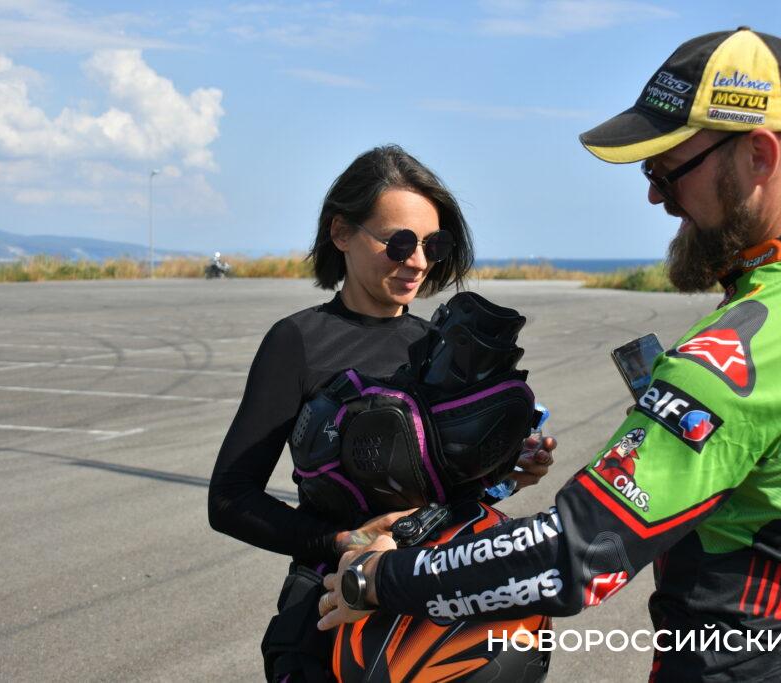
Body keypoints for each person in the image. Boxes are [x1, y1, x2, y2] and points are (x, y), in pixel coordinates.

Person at [316, 29, 781, 682]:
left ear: (758, 156)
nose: (655, 195)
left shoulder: (741, 354)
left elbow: (576, 551)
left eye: (665, 170)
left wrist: (380, 577)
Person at [206, 144, 556, 679]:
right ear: (341, 233)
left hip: (438, 611)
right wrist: (342, 541)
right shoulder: (298, 341)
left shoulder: (436, 347)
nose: (417, 261)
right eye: (399, 242)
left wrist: (507, 471)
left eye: (433, 245)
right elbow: (230, 498)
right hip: (330, 613)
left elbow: (443, 493)